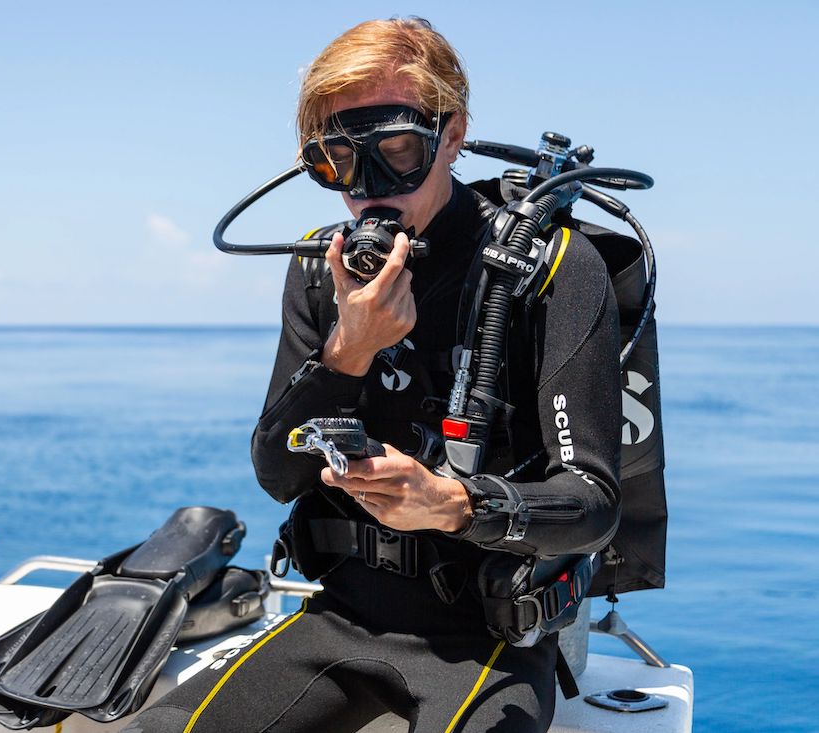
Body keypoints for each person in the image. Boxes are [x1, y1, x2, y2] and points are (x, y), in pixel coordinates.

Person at [123, 16, 621, 733]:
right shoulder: (319, 270)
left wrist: (454, 504)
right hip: (342, 617)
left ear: (453, 136)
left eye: (397, 151)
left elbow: (594, 501)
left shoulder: (553, 268)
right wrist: (347, 352)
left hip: (490, 640)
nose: (368, 190)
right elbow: (277, 473)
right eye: (339, 164)